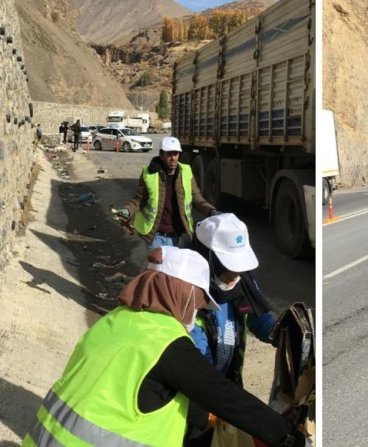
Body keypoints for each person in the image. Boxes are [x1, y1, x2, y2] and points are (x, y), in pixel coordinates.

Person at [22, 246, 306, 447]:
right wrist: (287, 436)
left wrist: (202, 417)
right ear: (180, 292)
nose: (197, 308)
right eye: (197, 299)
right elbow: (224, 397)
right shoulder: (167, 343)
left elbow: (140, 389)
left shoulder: (113, 321)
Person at [185, 213, 281, 446]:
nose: (235, 275)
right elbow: (194, 360)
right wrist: (215, 402)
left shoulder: (243, 281)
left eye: (239, 268)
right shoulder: (188, 291)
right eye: (229, 267)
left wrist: (279, 332)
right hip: (196, 394)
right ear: (208, 257)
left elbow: (259, 318)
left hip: (226, 384)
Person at [117, 136, 218, 249]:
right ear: (161, 155)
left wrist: (211, 211)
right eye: (169, 154)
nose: (173, 158)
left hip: (179, 236)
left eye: (176, 154)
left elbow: (197, 198)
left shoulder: (186, 172)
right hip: (156, 236)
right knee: (159, 267)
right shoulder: (149, 174)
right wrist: (127, 210)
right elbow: (139, 199)